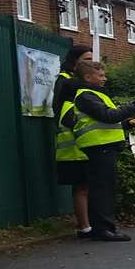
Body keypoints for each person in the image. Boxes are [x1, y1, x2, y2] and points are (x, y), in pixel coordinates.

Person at [67, 59, 135, 241]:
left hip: (102, 146)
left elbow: (104, 120)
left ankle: (105, 228)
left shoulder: (95, 94)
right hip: (98, 146)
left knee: (104, 188)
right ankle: (103, 229)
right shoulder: (86, 96)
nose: (105, 78)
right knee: (102, 189)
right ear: (88, 77)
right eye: (101, 75)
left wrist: (127, 123)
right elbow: (108, 116)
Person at [52, 45, 93, 238]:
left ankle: (89, 224)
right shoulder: (66, 81)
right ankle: (84, 226)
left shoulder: (77, 80)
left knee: (87, 186)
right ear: (74, 61)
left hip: (86, 142)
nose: (90, 63)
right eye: (86, 59)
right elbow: (63, 110)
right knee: (81, 186)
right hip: (73, 143)